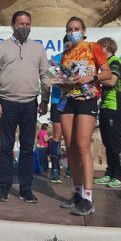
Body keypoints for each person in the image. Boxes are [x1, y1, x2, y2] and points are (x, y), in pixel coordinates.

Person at [0, 10, 50, 203]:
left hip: (30, 104)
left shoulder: (38, 48)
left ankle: (26, 189)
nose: (25, 27)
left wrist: (45, 100)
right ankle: (4, 188)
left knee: (28, 148)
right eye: (21, 24)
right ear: (13, 26)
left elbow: (45, 76)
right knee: (6, 147)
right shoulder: (1, 47)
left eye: (28, 24)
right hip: (7, 104)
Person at [58, 17, 112, 216]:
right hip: (67, 99)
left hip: (87, 99)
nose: (73, 32)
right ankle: (78, 191)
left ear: (83, 30)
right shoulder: (66, 53)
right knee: (70, 146)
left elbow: (107, 73)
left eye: (76, 28)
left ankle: (88, 197)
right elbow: (64, 76)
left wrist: (91, 77)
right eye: (70, 29)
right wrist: (60, 80)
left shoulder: (93, 47)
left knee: (82, 146)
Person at [94, 37, 121, 188]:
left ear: (105, 48)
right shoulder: (106, 64)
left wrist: (92, 79)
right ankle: (110, 173)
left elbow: (111, 81)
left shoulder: (115, 61)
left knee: (115, 142)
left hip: (116, 106)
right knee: (107, 141)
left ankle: (119, 176)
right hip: (106, 105)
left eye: (98, 48)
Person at [48, 35, 71, 183]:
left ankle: (71, 167)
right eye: (67, 43)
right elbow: (50, 79)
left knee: (71, 136)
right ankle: (55, 169)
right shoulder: (56, 59)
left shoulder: (79, 58)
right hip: (57, 100)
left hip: (73, 100)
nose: (70, 45)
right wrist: (62, 80)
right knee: (57, 133)